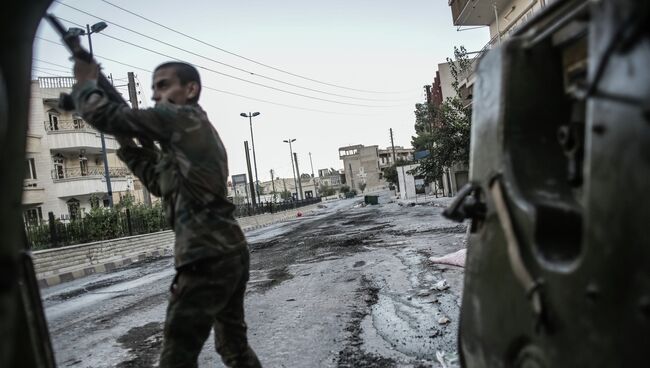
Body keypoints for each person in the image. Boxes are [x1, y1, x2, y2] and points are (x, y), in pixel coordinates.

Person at [72, 60, 262, 368]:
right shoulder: (185, 139)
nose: (156, 95)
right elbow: (157, 181)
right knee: (233, 347)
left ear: (190, 89)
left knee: (177, 357)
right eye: (153, 89)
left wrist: (85, 83)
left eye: (164, 85)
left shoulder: (184, 118)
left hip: (207, 258)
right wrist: (126, 143)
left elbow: (107, 116)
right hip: (225, 252)